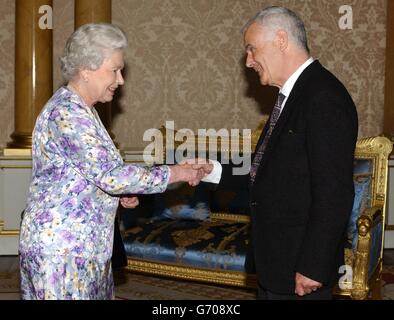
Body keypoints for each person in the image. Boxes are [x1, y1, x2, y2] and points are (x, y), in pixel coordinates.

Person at [18, 23, 207, 300]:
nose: (120, 80)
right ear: (86, 69)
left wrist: (118, 195)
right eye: (115, 70)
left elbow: (86, 175)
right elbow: (109, 175)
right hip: (62, 253)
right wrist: (176, 172)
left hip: (86, 248)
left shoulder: (85, 111)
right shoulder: (67, 113)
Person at [193, 6, 358, 300]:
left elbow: (335, 192)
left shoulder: (323, 97)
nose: (248, 61)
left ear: (281, 39)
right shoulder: (293, 95)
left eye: (252, 49)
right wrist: (213, 170)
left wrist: (314, 266)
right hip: (278, 264)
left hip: (301, 269)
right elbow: (270, 171)